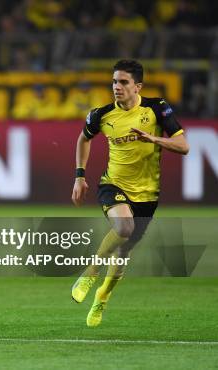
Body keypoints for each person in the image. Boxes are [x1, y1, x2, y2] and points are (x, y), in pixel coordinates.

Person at [71, 59, 189, 327]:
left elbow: (183, 146)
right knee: (124, 227)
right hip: (113, 185)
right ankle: (90, 272)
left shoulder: (157, 109)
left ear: (138, 86)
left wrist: (154, 139)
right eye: (114, 81)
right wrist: (79, 176)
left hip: (148, 194)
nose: (117, 87)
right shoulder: (101, 115)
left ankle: (102, 297)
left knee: (123, 252)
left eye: (123, 82)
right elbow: (83, 138)